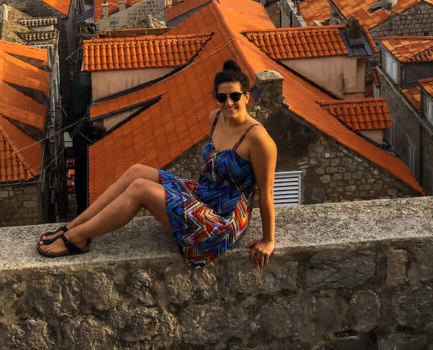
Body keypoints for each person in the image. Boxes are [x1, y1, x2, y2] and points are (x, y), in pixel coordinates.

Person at [37, 59, 277, 268]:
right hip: (203, 198)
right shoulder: (215, 119)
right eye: (222, 97)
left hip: (220, 222)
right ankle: (72, 226)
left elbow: (266, 195)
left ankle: (77, 238)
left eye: (235, 96)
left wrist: (268, 240)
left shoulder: (258, 140)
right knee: (137, 171)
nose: (228, 103)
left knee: (140, 189)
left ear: (247, 97)